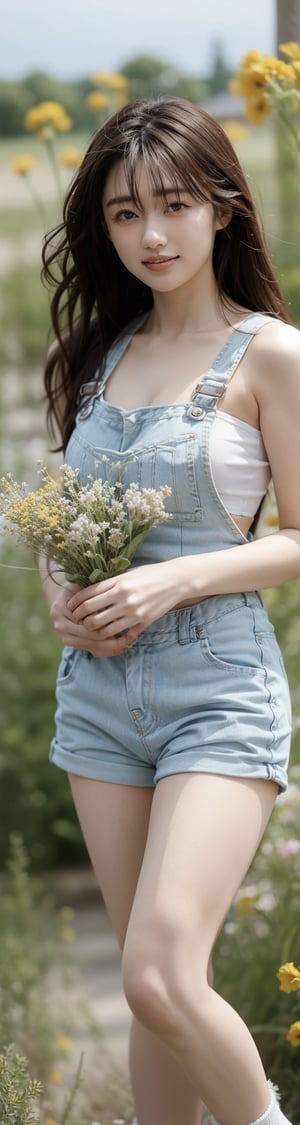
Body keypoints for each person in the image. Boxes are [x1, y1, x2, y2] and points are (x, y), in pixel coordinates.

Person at [40, 97, 299, 1125]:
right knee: (154, 1008)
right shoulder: (93, 358)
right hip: (99, 700)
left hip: (216, 689)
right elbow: (66, 521)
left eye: (175, 205)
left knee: (156, 977)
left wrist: (176, 578)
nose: (150, 235)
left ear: (224, 208)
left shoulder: (272, 355)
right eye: (122, 214)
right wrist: (63, 590)